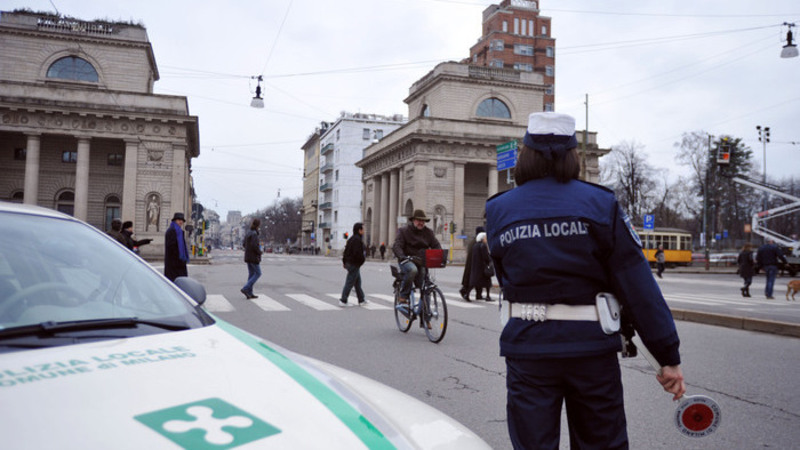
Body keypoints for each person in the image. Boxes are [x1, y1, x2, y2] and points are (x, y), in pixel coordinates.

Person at [485, 112, 685, 449]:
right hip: (591, 350)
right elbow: (637, 286)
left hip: (528, 348)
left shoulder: (499, 209)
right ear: (572, 154)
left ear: (527, 154)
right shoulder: (600, 203)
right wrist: (668, 355)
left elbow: (506, 277)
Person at [392, 210, 442, 304]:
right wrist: (401, 256)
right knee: (413, 270)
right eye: (418, 220)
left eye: (423, 221)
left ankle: (425, 312)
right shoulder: (404, 231)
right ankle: (403, 296)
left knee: (425, 285)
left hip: (421, 261)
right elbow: (397, 245)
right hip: (407, 260)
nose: (421, 223)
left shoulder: (428, 232)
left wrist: (440, 255)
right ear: (413, 220)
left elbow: (436, 245)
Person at [339, 222, 367, 306]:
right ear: (359, 230)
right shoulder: (357, 240)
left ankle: (361, 300)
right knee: (350, 282)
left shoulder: (351, 239)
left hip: (350, 263)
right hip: (354, 264)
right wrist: (361, 261)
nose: (364, 231)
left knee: (357, 282)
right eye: (363, 229)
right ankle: (343, 300)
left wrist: (344, 262)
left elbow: (346, 251)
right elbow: (357, 254)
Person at [460, 226, 485, 301]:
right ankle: (466, 292)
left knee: (477, 279)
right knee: (473, 279)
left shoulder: (473, 241)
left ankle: (478, 294)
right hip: (474, 264)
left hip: (472, 264)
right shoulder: (477, 242)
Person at [240, 218, 262, 299]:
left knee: (251, 274)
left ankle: (249, 292)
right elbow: (254, 246)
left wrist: (248, 250)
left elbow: (244, 244)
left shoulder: (248, 233)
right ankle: (245, 288)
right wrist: (259, 252)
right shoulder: (254, 234)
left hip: (248, 256)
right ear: (258, 225)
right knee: (258, 273)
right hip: (253, 257)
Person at [164, 212, 189, 281]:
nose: (181, 222)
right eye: (179, 220)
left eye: (182, 220)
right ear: (175, 221)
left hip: (178, 263)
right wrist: (179, 260)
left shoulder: (179, 231)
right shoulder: (172, 231)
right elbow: (171, 247)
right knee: (175, 283)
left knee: (180, 282)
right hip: (173, 264)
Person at [469, 231, 494, 301]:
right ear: (482, 239)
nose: (487, 239)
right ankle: (488, 296)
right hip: (483, 268)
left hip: (476, 267)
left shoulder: (475, 245)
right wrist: (490, 260)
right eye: (486, 238)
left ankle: (468, 294)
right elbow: (486, 257)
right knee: (488, 283)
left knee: (474, 282)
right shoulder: (483, 245)